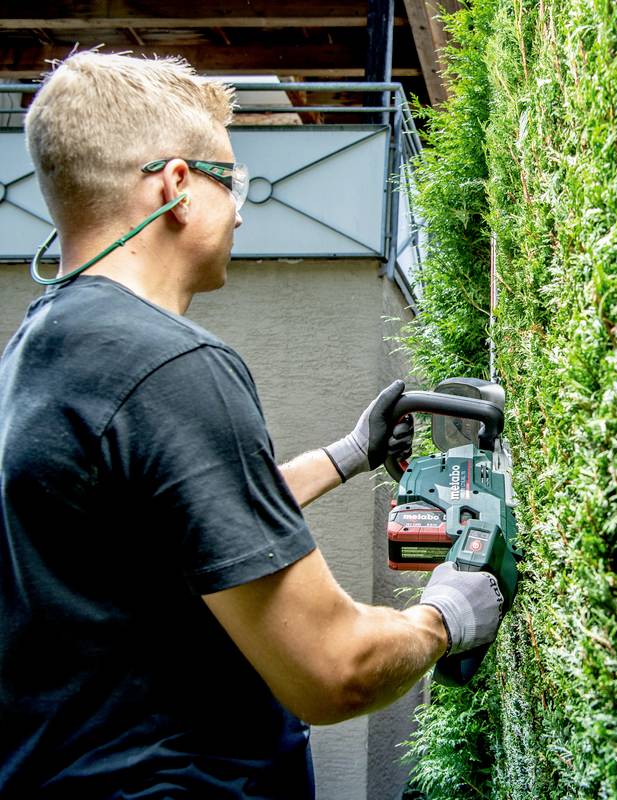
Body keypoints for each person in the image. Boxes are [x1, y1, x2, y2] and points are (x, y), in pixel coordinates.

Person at [0, 51, 504, 798]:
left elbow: (167, 527)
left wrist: (347, 454)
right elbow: (335, 671)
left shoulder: (39, 350)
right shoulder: (169, 366)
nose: (239, 208)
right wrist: (446, 615)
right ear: (175, 187)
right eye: (226, 182)